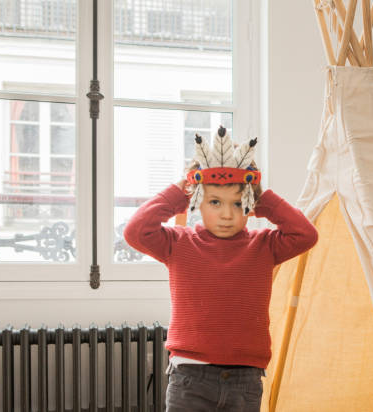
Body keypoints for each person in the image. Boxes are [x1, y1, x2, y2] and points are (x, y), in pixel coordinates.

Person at [123, 126, 318, 411]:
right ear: (197, 202)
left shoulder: (264, 246)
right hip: (189, 378)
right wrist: (180, 191)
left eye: (238, 204)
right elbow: (136, 231)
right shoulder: (178, 243)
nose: (227, 214)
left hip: (245, 380)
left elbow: (306, 234)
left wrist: (262, 197)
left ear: (251, 206)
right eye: (215, 202)